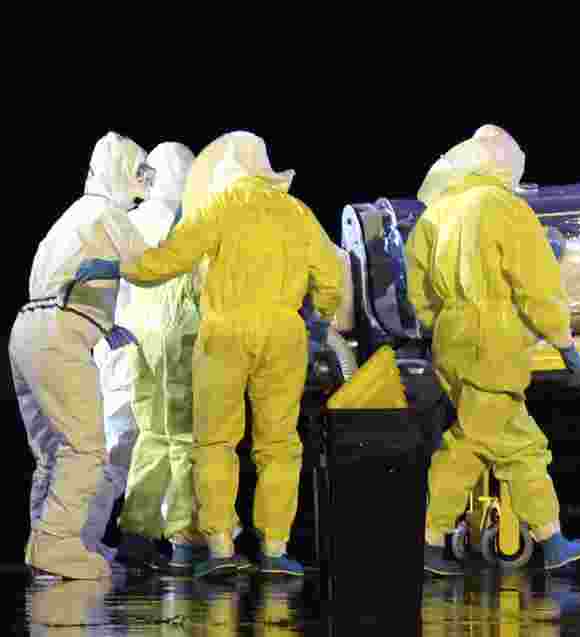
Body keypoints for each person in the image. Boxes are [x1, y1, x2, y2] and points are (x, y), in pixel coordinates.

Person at [75, 131, 343, 578]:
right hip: (283, 335)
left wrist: (114, 268)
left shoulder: (221, 207)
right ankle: (275, 550)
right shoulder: (297, 212)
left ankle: (219, 548)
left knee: (214, 442)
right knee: (279, 446)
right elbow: (331, 277)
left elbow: (166, 261)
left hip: (223, 336)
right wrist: (318, 322)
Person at [406, 124, 580, 575]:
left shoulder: (437, 211)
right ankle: (436, 541)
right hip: (493, 336)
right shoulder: (505, 207)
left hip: (451, 335)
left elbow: (418, 287)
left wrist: (440, 327)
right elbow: (537, 282)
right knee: (493, 443)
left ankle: (543, 539)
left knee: (496, 441)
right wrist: (562, 339)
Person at [11, 132, 152, 579]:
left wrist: (107, 325)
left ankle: (45, 544)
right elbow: (150, 266)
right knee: (86, 447)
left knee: (53, 452)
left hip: (28, 328)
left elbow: (68, 279)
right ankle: (58, 544)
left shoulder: (74, 214)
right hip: (58, 333)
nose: (143, 181)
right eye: (138, 171)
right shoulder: (107, 213)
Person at [112, 141, 209, 572]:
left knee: (150, 436)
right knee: (185, 439)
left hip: (137, 337)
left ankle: (136, 535)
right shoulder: (188, 221)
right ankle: (186, 542)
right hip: (178, 334)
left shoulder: (128, 221)